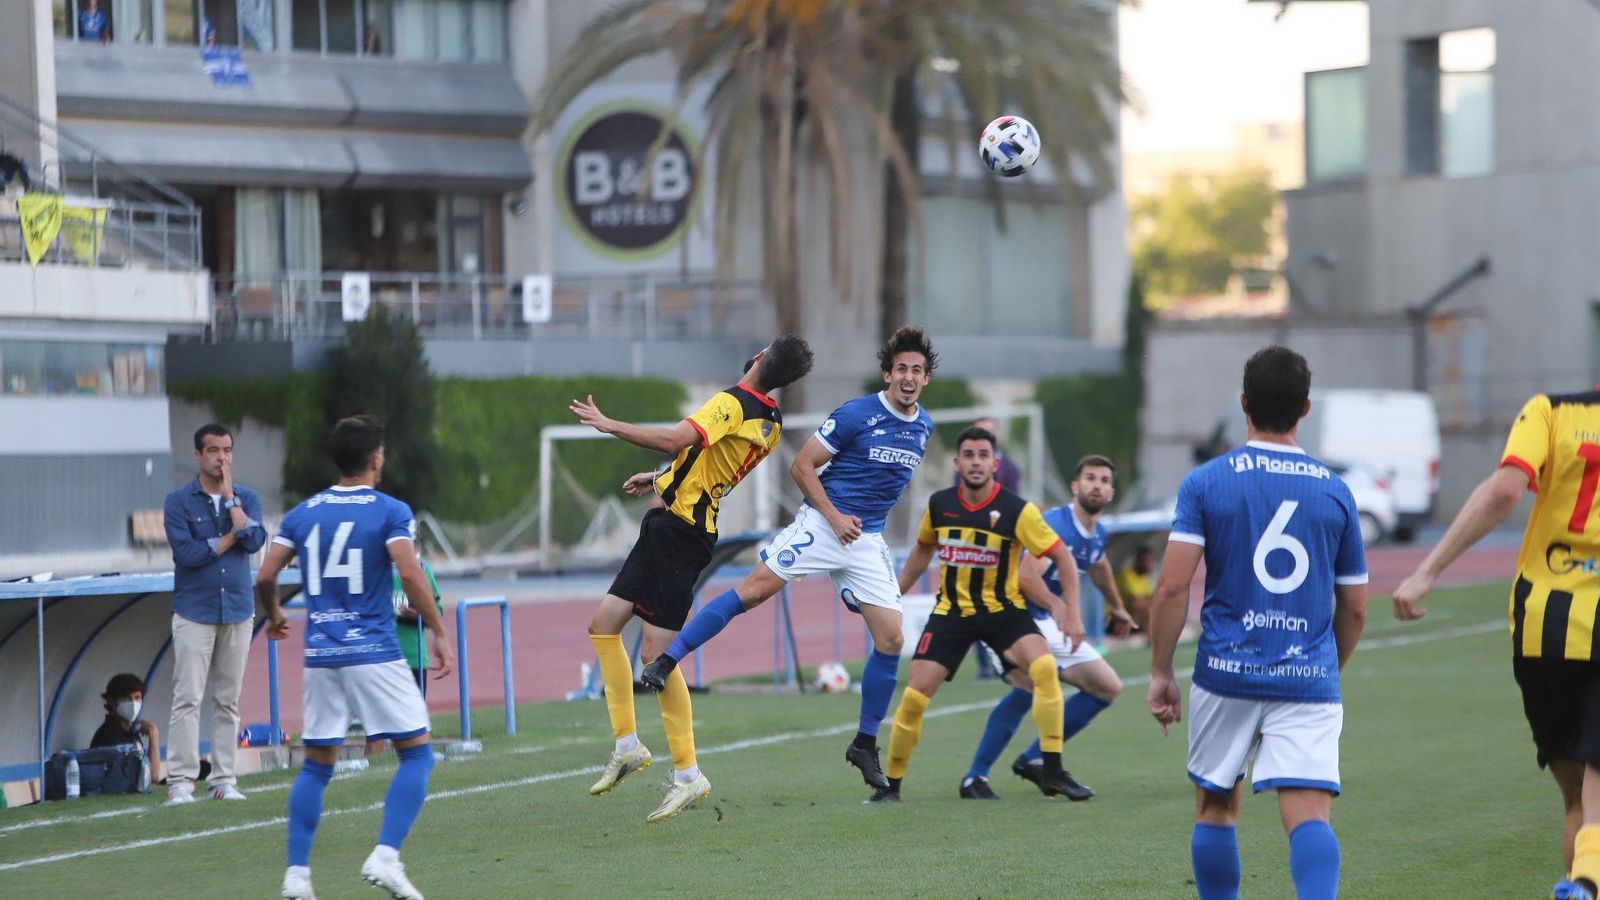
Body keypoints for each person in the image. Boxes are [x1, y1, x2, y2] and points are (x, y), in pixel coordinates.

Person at [637, 326, 938, 791]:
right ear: (887, 374)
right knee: (752, 592)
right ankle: (666, 662)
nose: (909, 377)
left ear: (926, 378)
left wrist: (858, 532)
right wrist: (834, 517)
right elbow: (802, 466)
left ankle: (864, 743)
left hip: (865, 540)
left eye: (917, 370)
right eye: (901, 369)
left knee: (892, 638)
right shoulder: (856, 413)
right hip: (822, 524)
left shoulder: (923, 427)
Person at [1147, 346, 1368, 900]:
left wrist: (1161, 672)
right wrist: (1324, 668)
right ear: (1306, 407)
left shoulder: (1206, 482)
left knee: (1216, 806)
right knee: (1309, 814)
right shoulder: (1336, 491)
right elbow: (1355, 607)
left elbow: (1172, 587)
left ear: (1244, 403)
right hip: (1308, 678)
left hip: (1225, 672)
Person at [572, 335, 814, 823]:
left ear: (761, 357)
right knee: (603, 625)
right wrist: (660, 479)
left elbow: (676, 441)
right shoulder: (771, 422)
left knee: (655, 656)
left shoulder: (732, 403)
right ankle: (627, 745)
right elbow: (710, 464)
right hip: (669, 524)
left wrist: (609, 425)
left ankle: (688, 774)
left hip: (683, 536)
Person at [1390, 388, 1600, 900]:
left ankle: (1584, 881)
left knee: (1578, 798)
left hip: (1543, 627)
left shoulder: (1551, 411)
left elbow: (1506, 490)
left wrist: (1427, 571)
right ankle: (1588, 883)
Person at [256, 414, 453, 900]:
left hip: (321, 653)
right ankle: (386, 856)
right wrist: (437, 630)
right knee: (417, 754)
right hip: (374, 651)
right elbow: (410, 572)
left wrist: (275, 613)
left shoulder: (302, 514)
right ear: (376, 459)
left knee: (316, 766)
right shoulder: (390, 510)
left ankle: (297, 877)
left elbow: (265, 575)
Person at [871, 425, 1088, 803]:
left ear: (995, 464)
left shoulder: (1018, 510)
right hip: (951, 614)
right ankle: (891, 785)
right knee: (914, 698)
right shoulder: (939, 505)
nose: (976, 463)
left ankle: (1052, 769)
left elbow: (1062, 557)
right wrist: (893, 595)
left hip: (1003, 612)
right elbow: (922, 552)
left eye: (983, 456)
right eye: (969, 456)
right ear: (957, 463)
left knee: (1044, 669)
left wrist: (1071, 613)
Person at [960, 454, 1135, 800]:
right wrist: (1062, 608)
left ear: (1111, 493)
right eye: (1090, 478)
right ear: (1075, 486)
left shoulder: (1097, 533)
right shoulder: (1055, 525)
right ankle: (975, 777)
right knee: (1030, 684)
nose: (1097, 486)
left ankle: (1035, 758)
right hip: (1009, 617)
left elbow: (1099, 566)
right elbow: (1027, 577)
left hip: (1045, 622)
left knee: (1107, 687)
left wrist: (1118, 607)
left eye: (1104, 481)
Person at [161, 423, 266, 805]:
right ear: (198, 455)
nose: (221, 458)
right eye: (213, 451)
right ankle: (181, 782)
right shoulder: (179, 501)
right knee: (188, 697)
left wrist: (232, 501)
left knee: (228, 700)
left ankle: (224, 779)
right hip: (194, 611)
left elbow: (255, 540)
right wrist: (231, 536)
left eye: (227, 450)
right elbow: (187, 555)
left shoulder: (247, 497)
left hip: (237, 609)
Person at [90, 673, 164, 785]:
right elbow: (151, 777)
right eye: (128, 699)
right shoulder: (109, 736)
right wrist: (153, 733)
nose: (133, 704)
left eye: (137, 698)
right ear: (112, 701)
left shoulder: (129, 732)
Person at [952, 416, 1021, 494]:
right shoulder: (963, 466)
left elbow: (1014, 496)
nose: (984, 436)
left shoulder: (1010, 467)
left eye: (989, 432)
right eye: (979, 432)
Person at [1116, 546, 1157, 632]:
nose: (1151, 564)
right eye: (1148, 561)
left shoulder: (1145, 580)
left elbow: (1154, 601)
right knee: (1148, 611)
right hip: (1116, 618)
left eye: (1152, 561)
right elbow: (1135, 604)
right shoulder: (1126, 574)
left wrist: (1146, 600)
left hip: (1135, 619)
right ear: (1139, 560)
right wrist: (1148, 599)